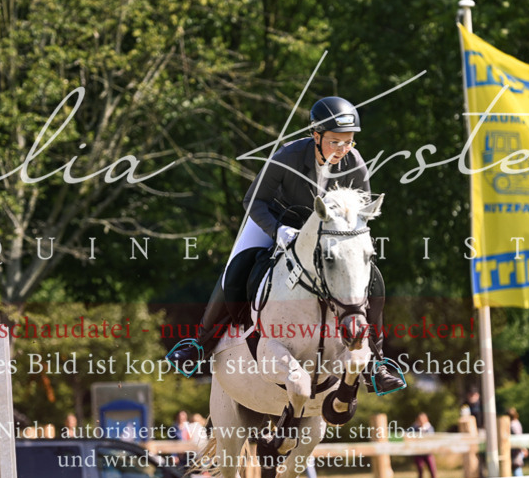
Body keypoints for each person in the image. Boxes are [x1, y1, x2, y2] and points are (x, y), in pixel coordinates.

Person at [165, 96, 404, 396]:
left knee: (374, 278)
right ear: (315, 136)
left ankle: (376, 362)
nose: (343, 150)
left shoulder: (353, 162)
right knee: (237, 267)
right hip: (277, 219)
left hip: (326, 232)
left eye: (349, 142)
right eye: (335, 142)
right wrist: (278, 230)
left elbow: (359, 213)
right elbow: (253, 200)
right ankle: (199, 346)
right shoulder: (288, 156)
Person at [410, 412, 437, 478]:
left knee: (432, 469)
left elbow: (431, 437)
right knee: (420, 468)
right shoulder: (414, 428)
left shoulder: (429, 428)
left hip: (428, 451)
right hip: (418, 452)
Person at [508, 407, 527, 476]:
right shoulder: (517, 422)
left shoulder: (512, 424)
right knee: (517, 467)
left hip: (516, 450)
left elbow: (518, 437)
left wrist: (523, 448)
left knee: (516, 467)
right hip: (518, 449)